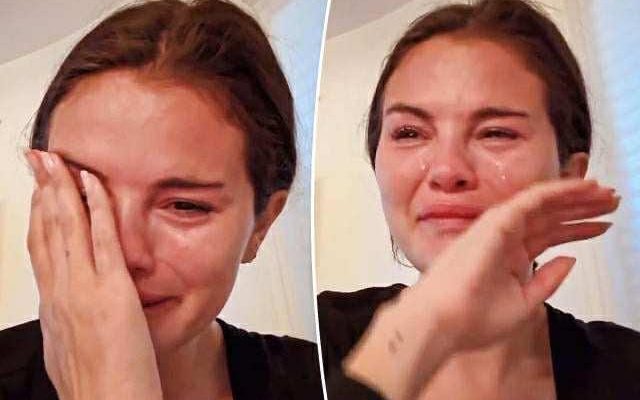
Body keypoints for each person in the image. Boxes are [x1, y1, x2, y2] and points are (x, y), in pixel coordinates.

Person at [318, 0, 640, 399]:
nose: (447, 170)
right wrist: (410, 339)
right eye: (409, 133)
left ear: (568, 178)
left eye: (496, 133)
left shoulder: (627, 371)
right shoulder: (315, 345)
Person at [0, 1, 322, 399]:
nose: (125, 252)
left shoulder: (323, 379)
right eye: (84, 195)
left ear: (261, 224)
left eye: (185, 205)